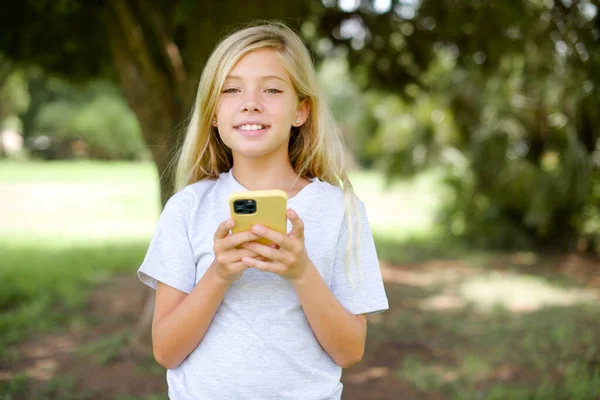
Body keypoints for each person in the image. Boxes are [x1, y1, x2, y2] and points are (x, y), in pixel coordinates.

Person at [137, 21, 389, 400]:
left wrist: (301, 271)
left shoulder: (342, 212)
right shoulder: (187, 208)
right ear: (214, 114)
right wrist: (219, 274)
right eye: (232, 89)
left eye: (271, 89)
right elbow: (166, 351)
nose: (251, 102)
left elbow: (350, 351)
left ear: (301, 111)